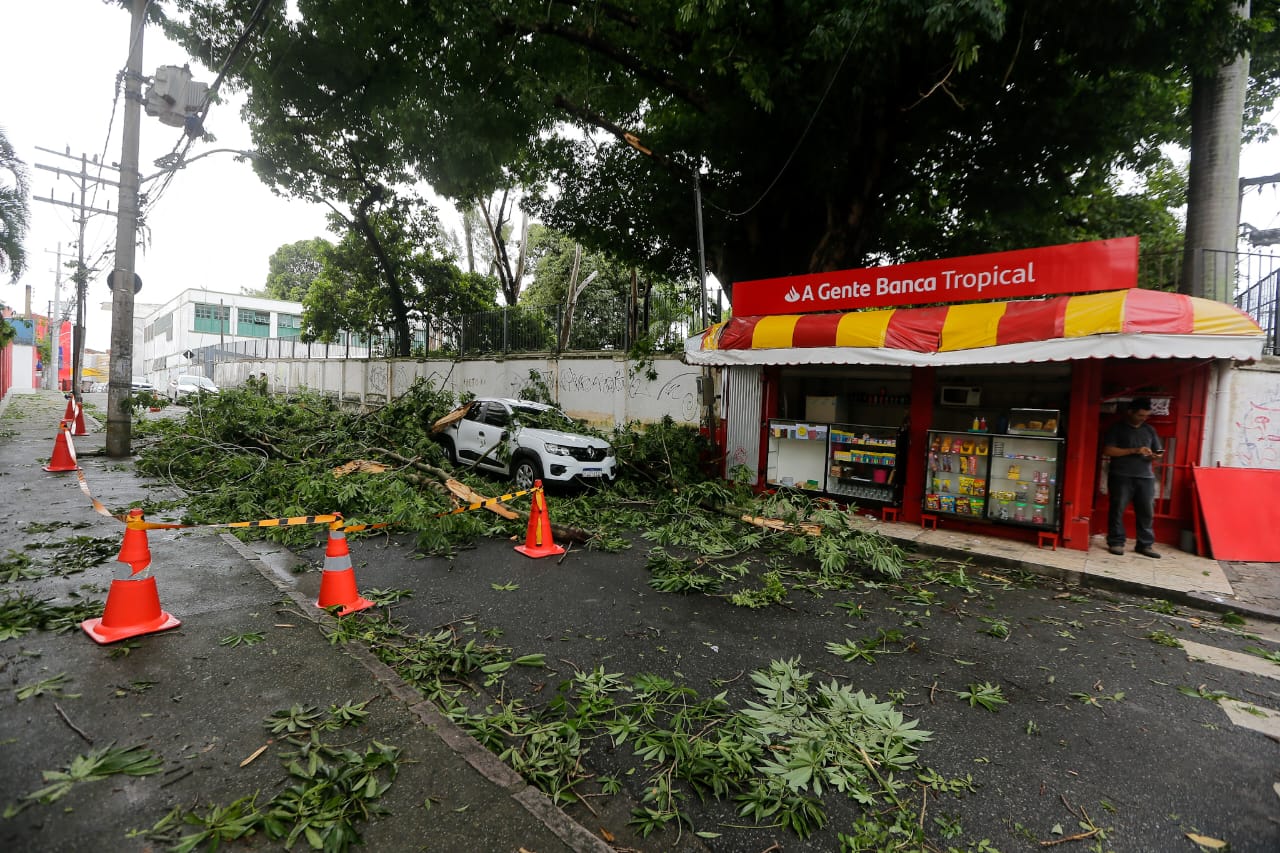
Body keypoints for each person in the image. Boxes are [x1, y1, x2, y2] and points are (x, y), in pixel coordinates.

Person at [1102, 397, 1164, 558]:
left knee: (1146, 512)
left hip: (1146, 476)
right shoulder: (1117, 428)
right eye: (1140, 415)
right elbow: (1108, 451)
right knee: (1117, 510)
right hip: (1121, 475)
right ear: (1130, 412)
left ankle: (1145, 545)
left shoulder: (1150, 430)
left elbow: (1158, 451)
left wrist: (1154, 455)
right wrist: (1135, 450)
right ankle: (1116, 542)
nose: (1144, 419)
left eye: (1146, 416)